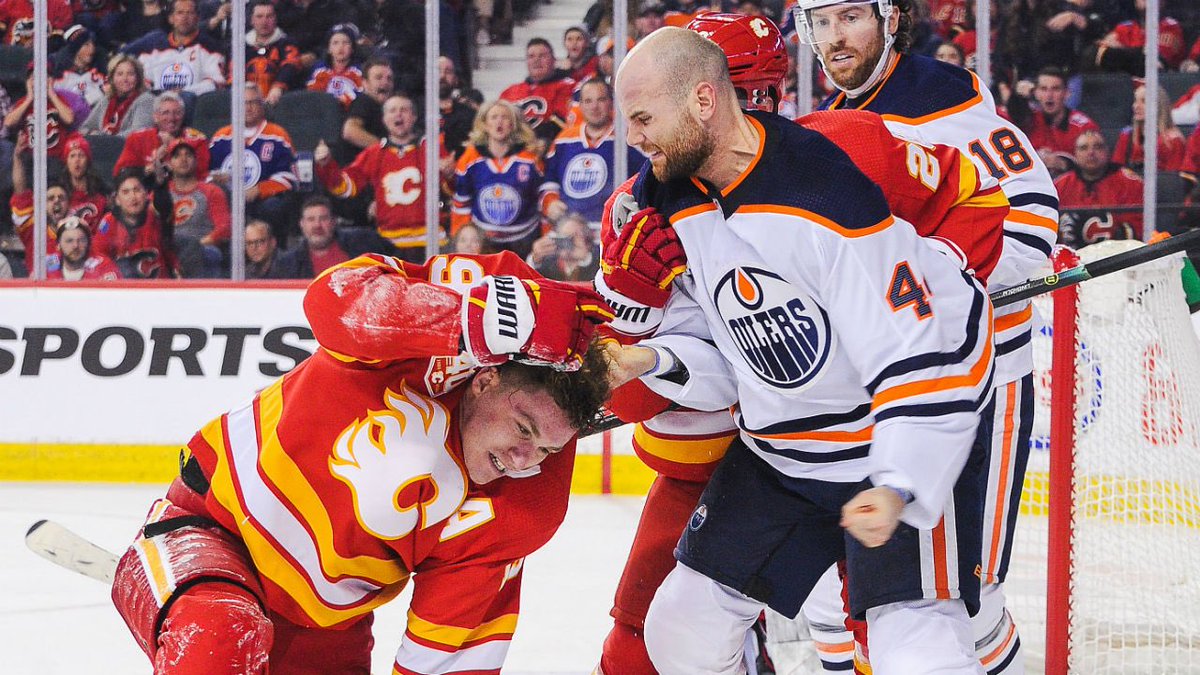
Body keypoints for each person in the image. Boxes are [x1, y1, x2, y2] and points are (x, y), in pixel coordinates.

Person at [596, 13, 1010, 674]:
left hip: (882, 441)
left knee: (916, 644)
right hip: (776, 453)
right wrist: (643, 343)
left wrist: (900, 478)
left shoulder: (839, 163)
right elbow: (726, 363)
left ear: (704, 99)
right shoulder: (657, 200)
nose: (633, 137)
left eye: (644, 118)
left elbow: (948, 290)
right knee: (679, 627)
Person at [110, 249, 613, 673]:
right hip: (213, 532)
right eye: (523, 428)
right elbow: (333, 298)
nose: (524, 459)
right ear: (486, 380)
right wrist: (468, 319)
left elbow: (443, 657)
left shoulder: (523, 506)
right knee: (221, 637)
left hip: (328, 625)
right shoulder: (421, 346)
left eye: (547, 449)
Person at [798, 0, 1060, 670]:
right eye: (821, 23)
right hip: (878, 389)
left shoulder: (944, 98)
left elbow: (1031, 224)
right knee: (842, 595)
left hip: (981, 381)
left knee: (968, 598)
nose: (835, 38)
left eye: (849, 17)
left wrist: (927, 283)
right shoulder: (830, 119)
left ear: (890, 18)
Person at [314, 93, 451, 264]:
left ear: (414, 117)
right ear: (384, 119)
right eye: (392, 111)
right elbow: (345, 187)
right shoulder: (374, 153)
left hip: (430, 240)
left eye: (404, 110)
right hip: (388, 242)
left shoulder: (431, 148)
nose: (398, 114)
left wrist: (449, 173)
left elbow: (452, 189)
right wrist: (327, 165)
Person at [541, 78, 643, 231]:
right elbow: (549, 181)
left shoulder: (629, 138)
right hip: (570, 229)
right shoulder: (564, 139)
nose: (594, 107)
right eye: (588, 101)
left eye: (601, 100)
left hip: (613, 230)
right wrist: (551, 201)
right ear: (580, 105)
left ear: (611, 103)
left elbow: (646, 181)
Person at [452, 100, 546, 259]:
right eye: (494, 117)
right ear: (484, 124)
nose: (499, 122)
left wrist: (545, 236)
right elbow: (461, 204)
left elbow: (542, 200)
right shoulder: (469, 159)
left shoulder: (530, 159)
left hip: (524, 239)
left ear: (513, 124)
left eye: (505, 117)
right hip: (484, 241)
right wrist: (459, 243)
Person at [208, 83, 298, 245]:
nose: (248, 108)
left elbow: (289, 176)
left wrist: (259, 189)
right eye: (243, 103)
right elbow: (206, 173)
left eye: (253, 102)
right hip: (227, 199)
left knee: (273, 207)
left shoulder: (277, 134)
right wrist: (215, 179)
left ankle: (272, 250)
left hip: (262, 201)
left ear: (262, 105)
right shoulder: (221, 137)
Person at [1055, 129, 1144, 247]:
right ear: (1075, 154)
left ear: (1108, 151)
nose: (1091, 153)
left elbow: (1140, 227)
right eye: (1083, 148)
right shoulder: (1060, 185)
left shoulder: (1130, 183)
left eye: (1098, 147)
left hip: (1118, 253)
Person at [273, 195, 394, 278]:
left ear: (333, 222)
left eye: (323, 218)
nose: (317, 225)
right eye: (311, 219)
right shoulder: (287, 263)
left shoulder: (363, 241)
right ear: (302, 224)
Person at [123, 0, 226, 96]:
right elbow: (142, 79)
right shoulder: (154, 46)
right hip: (158, 102)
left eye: (190, 13)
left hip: (193, 102)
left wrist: (185, 92)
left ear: (197, 18)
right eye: (180, 13)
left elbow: (216, 82)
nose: (185, 17)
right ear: (171, 18)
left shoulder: (210, 47)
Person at [1014, 67, 1101, 176]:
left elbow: (1096, 169)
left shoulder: (1084, 127)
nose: (1049, 95)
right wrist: (1016, 97)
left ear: (1067, 93)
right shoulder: (1027, 120)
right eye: (1043, 89)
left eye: (1055, 89)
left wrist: (1064, 164)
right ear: (1036, 93)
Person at [94, 168, 177, 279]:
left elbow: (163, 205)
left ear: (146, 194)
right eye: (125, 192)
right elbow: (99, 256)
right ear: (117, 199)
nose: (133, 197)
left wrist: (161, 186)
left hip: (160, 286)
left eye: (137, 190)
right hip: (124, 287)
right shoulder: (109, 222)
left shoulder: (156, 216)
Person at [113, 90, 210, 181]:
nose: (171, 118)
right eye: (165, 113)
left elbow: (200, 176)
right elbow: (121, 173)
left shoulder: (197, 140)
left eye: (177, 113)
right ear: (155, 117)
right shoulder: (137, 139)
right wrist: (153, 165)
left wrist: (174, 145)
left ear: (183, 115)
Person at [167, 139, 230, 278]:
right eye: (177, 156)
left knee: (210, 254)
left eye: (188, 155)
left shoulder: (212, 191)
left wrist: (194, 246)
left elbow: (224, 229)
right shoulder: (160, 194)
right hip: (169, 249)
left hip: (202, 248)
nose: (183, 159)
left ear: (196, 161)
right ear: (169, 163)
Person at [499, 38, 577, 152]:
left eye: (542, 56)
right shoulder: (509, 91)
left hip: (547, 151)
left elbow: (564, 124)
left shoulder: (568, 87)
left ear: (554, 60)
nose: (536, 60)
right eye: (531, 56)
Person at [1112, 82, 1186, 173]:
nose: (1136, 106)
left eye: (1144, 101)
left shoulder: (1173, 141)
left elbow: (1172, 179)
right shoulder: (1126, 136)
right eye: (1135, 101)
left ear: (1159, 106)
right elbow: (1116, 173)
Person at [244, 0, 304, 107]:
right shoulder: (242, 46)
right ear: (252, 20)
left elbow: (291, 66)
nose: (264, 21)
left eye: (269, 16)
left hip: (280, 102)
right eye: (259, 16)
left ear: (275, 19)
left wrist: (278, 87)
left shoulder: (287, 43)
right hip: (246, 102)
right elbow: (232, 75)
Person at [80, 54, 157, 137]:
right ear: (112, 78)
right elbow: (84, 128)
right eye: (120, 74)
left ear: (138, 78)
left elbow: (138, 132)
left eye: (130, 74)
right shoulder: (106, 100)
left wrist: (104, 138)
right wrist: (92, 134)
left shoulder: (146, 100)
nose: (125, 79)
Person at [341, 58, 395, 160]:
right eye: (378, 78)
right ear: (365, 83)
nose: (385, 82)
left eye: (389, 79)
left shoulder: (389, 107)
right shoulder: (364, 101)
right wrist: (388, 151)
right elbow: (350, 131)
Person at [306, 23, 365, 109]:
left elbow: (363, 93)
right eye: (335, 43)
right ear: (329, 49)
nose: (340, 47)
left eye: (346, 43)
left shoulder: (360, 71)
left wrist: (344, 100)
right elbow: (312, 93)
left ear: (352, 48)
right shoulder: (319, 69)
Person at [45, 216, 123, 281]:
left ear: (89, 243)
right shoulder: (44, 267)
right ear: (58, 244)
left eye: (81, 240)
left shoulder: (104, 267)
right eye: (69, 241)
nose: (75, 246)